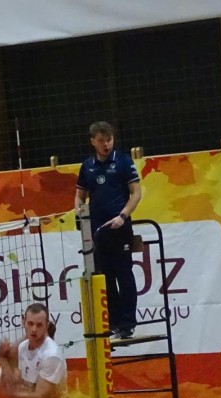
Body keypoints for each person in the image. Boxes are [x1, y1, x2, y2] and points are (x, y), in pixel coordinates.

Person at [75, 120, 144, 339]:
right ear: (93, 141)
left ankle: (128, 323)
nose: (106, 144)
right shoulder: (87, 166)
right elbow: (79, 196)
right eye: (101, 141)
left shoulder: (123, 161)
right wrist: (80, 213)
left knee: (124, 274)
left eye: (109, 140)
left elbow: (136, 193)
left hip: (119, 228)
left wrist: (123, 216)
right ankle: (114, 323)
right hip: (98, 231)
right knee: (106, 277)